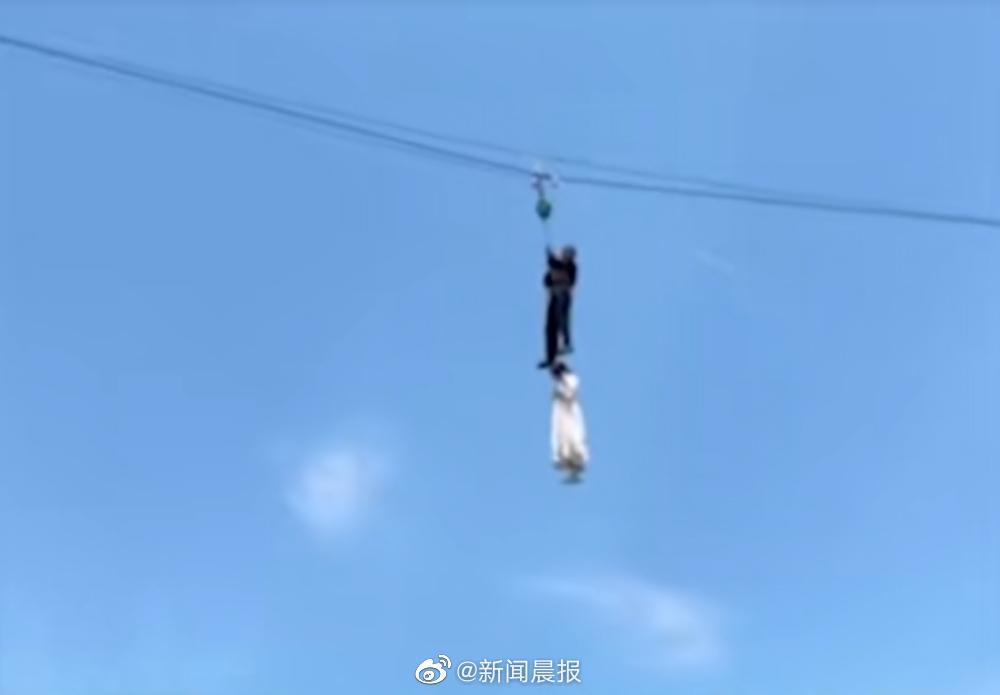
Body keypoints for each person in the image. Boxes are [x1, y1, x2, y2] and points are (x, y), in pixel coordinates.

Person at [538, 245, 577, 369]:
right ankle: (551, 357)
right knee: (550, 327)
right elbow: (546, 281)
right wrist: (550, 269)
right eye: (565, 253)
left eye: (568, 254)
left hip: (563, 294)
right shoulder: (556, 265)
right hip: (554, 295)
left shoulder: (571, 266)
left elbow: (561, 267)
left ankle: (566, 344)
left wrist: (551, 259)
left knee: (562, 318)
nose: (566, 256)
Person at [550, 361, 588, 482]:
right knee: (564, 439)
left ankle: (574, 462)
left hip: (569, 413)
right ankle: (569, 464)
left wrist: (561, 393)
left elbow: (570, 392)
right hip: (563, 415)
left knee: (573, 438)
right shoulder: (561, 383)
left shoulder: (571, 379)